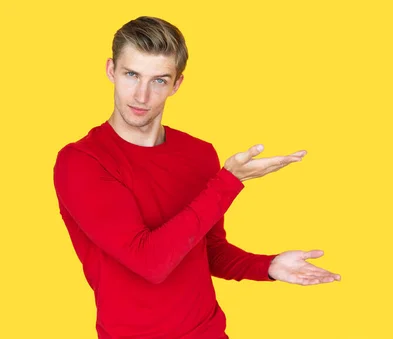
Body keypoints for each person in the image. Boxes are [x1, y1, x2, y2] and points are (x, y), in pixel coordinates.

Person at [52, 16, 341, 339]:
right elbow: (150, 262)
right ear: (111, 71)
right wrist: (229, 182)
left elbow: (207, 250)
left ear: (176, 84)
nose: (142, 95)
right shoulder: (81, 162)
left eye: (159, 80)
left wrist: (267, 266)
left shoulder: (198, 154)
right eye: (131, 75)